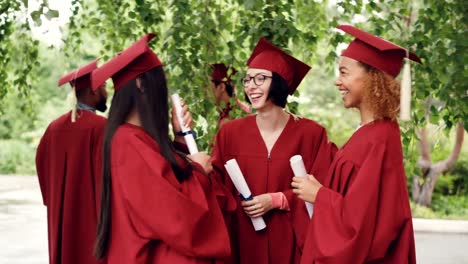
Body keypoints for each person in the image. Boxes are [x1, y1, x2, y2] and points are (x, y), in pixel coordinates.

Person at [92, 33, 233, 263]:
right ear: (141, 84)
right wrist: (197, 169)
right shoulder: (128, 142)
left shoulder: (137, 137)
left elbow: (166, 177)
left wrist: (179, 139)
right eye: (160, 83)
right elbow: (172, 214)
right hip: (153, 256)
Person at [292, 25, 420, 263]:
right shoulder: (371, 133)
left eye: (344, 72)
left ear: (373, 78)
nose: (337, 82)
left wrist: (319, 195)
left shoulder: (378, 139)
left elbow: (363, 223)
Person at [211, 37, 336, 264]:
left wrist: (278, 199)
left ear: (279, 82)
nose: (250, 86)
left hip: (291, 243)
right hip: (243, 241)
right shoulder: (230, 133)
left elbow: (324, 188)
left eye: (260, 79)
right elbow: (215, 187)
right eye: (247, 79)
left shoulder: (311, 134)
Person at [35, 59, 108, 264]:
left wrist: (60, 200)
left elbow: (43, 172)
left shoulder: (53, 128)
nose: (106, 92)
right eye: (103, 86)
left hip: (62, 216)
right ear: (94, 90)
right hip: (92, 220)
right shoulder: (102, 127)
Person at [210, 63, 251, 127]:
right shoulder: (240, 109)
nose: (204, 91)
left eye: (207, 86)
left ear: (221, 87)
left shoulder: (231, 120)